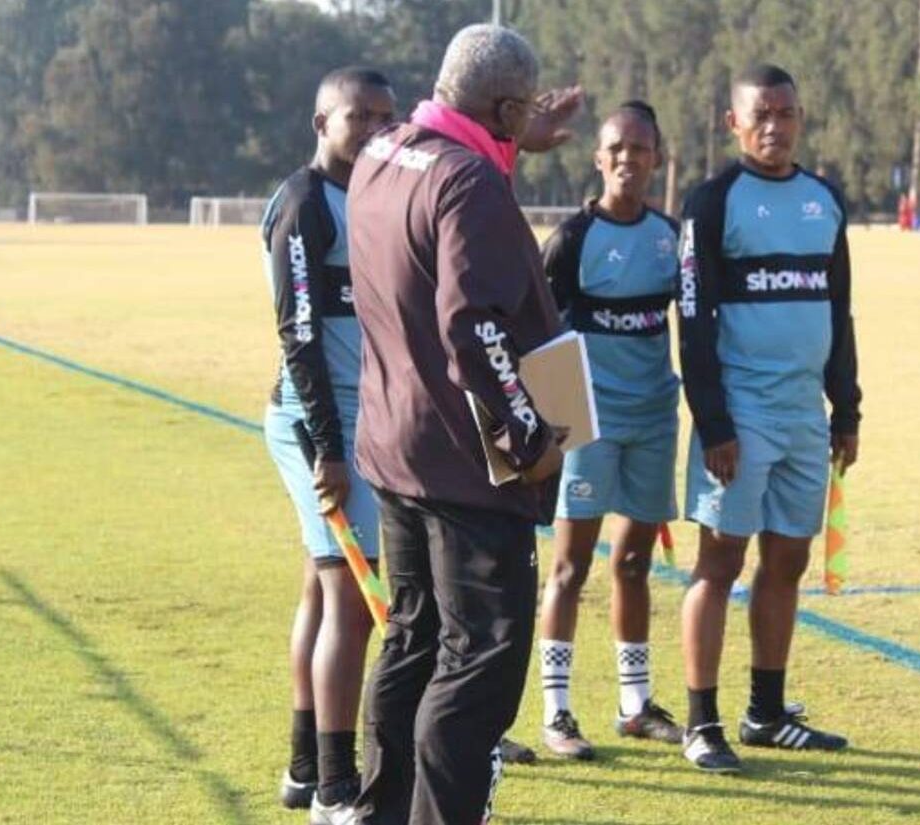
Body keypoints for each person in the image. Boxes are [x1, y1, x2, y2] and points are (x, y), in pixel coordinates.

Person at [345, 25, 581, 825]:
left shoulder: (383, 153)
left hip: (395, 448)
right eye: (519, 115)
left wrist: (510, 145)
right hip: (463, 467)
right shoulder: (469, 184)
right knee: (478, 659)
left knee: (413, 640)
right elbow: (470, 325)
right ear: (507, 107)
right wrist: (532, 439)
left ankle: (380, 811)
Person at [676, 64, 861, 773]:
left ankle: (767, 713)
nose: (774, 127)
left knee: (788, 558)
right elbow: (692, 320)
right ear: (734, 122)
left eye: (786, 113)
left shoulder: (824, 200)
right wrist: (715, 422)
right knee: (719, 560)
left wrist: (846, 407)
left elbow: (838, 311)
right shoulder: (712, 203)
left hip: (804, 415)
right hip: (740, 416)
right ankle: (702, 721)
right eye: (761, 115)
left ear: (800, 116)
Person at [259, 67, 396, 821]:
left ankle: (304, 766)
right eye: (358, 116)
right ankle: (339, 788)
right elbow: (300, 336)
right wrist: (330, 449)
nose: (375, 128)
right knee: (350, 591)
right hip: (321, 427)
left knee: (321, 585)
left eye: (386, 115)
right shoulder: (306, 204)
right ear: (321, 123)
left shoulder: (371, 194)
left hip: (362, 420)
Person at [534, 101, 683, 760]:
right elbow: (536, 333)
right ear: (598, 158)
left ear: (657, 158)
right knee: (568, 567)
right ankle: (556, 711)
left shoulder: (669, 238)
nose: (628, 159)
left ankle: (633, 704)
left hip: (654, 417)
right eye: (616, 148)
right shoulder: (571, 240)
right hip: (588, 424)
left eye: (641, 149)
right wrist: (564, 425)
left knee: (632, 563)